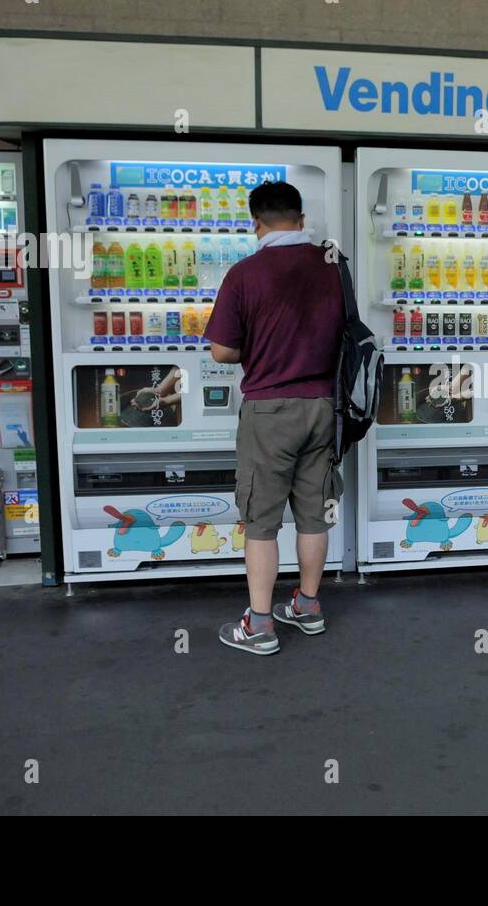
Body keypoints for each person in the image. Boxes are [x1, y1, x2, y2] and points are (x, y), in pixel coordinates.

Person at [204, 181, 344, 656]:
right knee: (314, 512)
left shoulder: (244, 273)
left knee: (261, 521)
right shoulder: (332, 267)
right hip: (323, 406)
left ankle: (260, 625)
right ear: (301, 220)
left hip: (268, 410)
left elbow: (222, 350)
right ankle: (307, 606)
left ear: (256, 224)